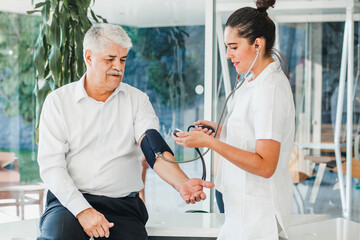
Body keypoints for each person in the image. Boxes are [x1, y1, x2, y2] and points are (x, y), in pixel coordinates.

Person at [37, 23, 214, 240]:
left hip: (123, 206)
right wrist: (82, 210)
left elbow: (152, 146)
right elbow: (51, 167)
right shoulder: (58, 102)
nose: (118, 67)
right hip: (69, 204)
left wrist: (181, 182)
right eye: (110, 59)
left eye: (122, 59)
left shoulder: (137, 100)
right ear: (89, 57)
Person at [173, 0, 295, 239]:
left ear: (257, 44)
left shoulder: (269, 88)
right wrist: (221, 130)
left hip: (257, 218)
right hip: (241, 212)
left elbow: (265, 164)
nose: (229, 55)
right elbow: (254, 134)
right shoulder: (253, 82)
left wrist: (209, 143)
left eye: (234, 47)